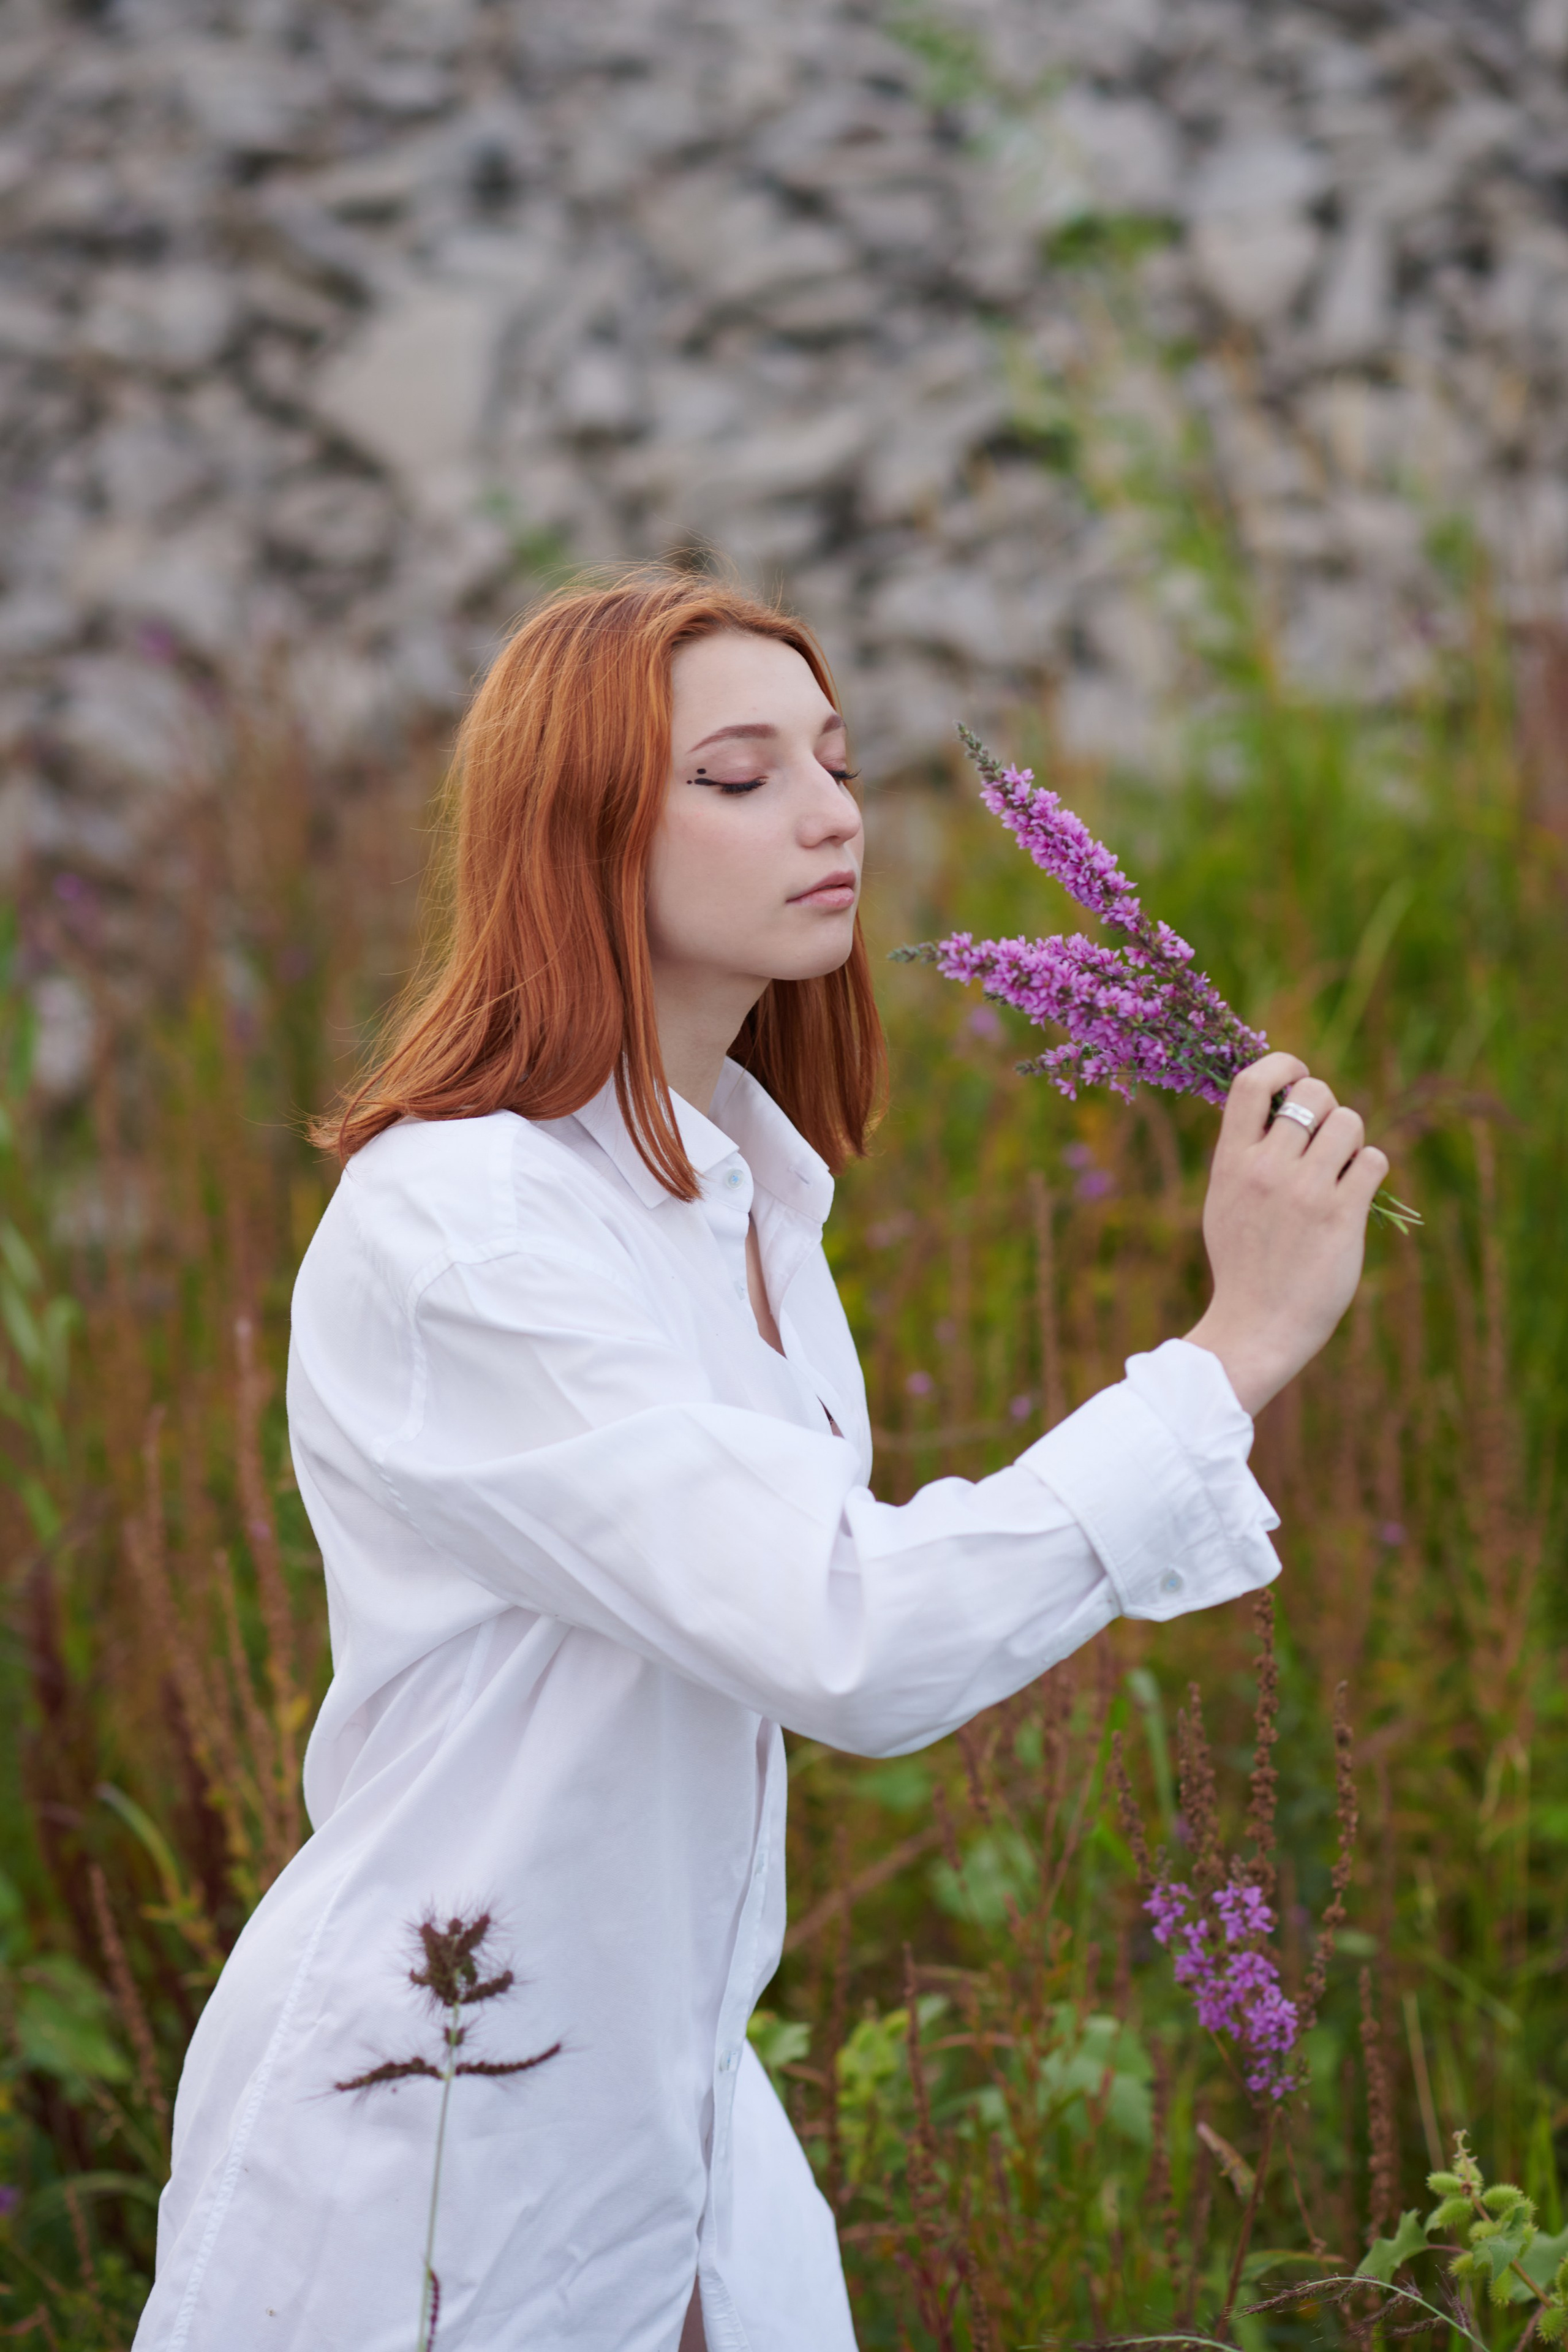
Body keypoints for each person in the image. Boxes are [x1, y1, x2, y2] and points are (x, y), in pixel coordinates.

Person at [133, 570, 1388, 2352]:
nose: (830, 814)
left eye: (838, 761)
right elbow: (845, 1638)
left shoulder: (750, 1199)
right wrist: (1230, 1353)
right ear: (578, 832)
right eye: (737, 776)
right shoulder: (467, 1228)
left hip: (687, 2104)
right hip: (442, 2110)